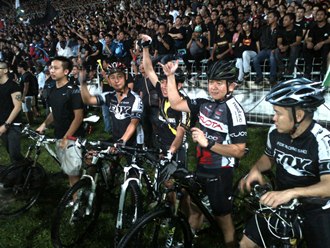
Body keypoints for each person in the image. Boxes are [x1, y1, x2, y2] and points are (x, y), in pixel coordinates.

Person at [163, 60, 247, 248]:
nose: (213, 87)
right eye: (211, 82)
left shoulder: (234, 111)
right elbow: (175, 103)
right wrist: (170, 76)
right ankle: (190, 239)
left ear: (231, 85)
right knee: (194, 206)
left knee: (224, 221)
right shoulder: (204, 104)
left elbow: (239, 151)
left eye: (219, 83)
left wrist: (207, 143)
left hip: (221, 171)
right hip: (202, 166)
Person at [239, 78, 330, 248]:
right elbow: (268, 157)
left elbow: (328, 186)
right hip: (281, 201)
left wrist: (292, 193)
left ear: (299, 115)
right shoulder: (275, 132)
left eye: (278, 113)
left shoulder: (322, 140)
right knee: (246, 244)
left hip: (315, 209)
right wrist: (256, 169)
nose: (274, 118)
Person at [36, 56, 85, 188]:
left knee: (73, 173)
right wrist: (43, 125)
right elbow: (54, 112)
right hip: (59, 135)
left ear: (66, 72)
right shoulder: (52, 90)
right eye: (51, 67)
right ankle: (79, 193)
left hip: (72, 137)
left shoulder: (73, 90)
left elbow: (78, 117)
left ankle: (77, 204)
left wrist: (66, 137)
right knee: (69, 170)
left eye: (56, 68)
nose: (52, 71)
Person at [142, 34, 189, 166]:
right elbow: (149, 70)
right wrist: (145, 48)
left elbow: (180, 134)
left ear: (179, 85)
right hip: (161, 144)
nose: (163, 86)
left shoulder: (184, 105)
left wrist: (170, 152)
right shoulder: (163, 92)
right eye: (162, 82)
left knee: (176, 183)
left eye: (167, 82)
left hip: (176, 149)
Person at [79, 61, 143, 146]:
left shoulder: (136, 99)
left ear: (126, 76)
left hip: (133, 142)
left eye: (119, 77)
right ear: (108, 80)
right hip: (116, 139)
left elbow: (133, 123)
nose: (116, 81)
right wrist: (83, 82)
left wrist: (122, 141)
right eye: (112, 77)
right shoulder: (108, 96)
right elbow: (88, 100)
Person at [0, 61, 24, 163]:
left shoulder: (13, 86)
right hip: (2, 123)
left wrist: (6, 124)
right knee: (10, 151)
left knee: (15, 154)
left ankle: (27, 173)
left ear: (5, 70)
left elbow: (18, 107)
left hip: (13, 125)